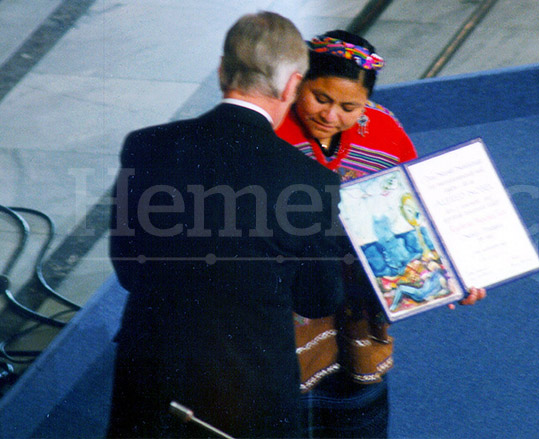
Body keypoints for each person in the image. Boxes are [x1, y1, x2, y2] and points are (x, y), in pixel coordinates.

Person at [107, 12, 347, 439]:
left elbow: (128, 270)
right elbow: (318, 297)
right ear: (293, 85)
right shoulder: (310, 182)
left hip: (151, 383)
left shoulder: (145, 146)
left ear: (221, 71)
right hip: (247, 400)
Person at [276, 30, 486, 438]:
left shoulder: (385, 130)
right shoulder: (271, 129)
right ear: (299, 82)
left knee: (355, 410)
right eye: (321, 98)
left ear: (366, 103)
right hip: (290, 302)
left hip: (359, 305)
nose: (331, 116)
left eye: (349, 106)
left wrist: (457, 272)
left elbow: (418, 211)